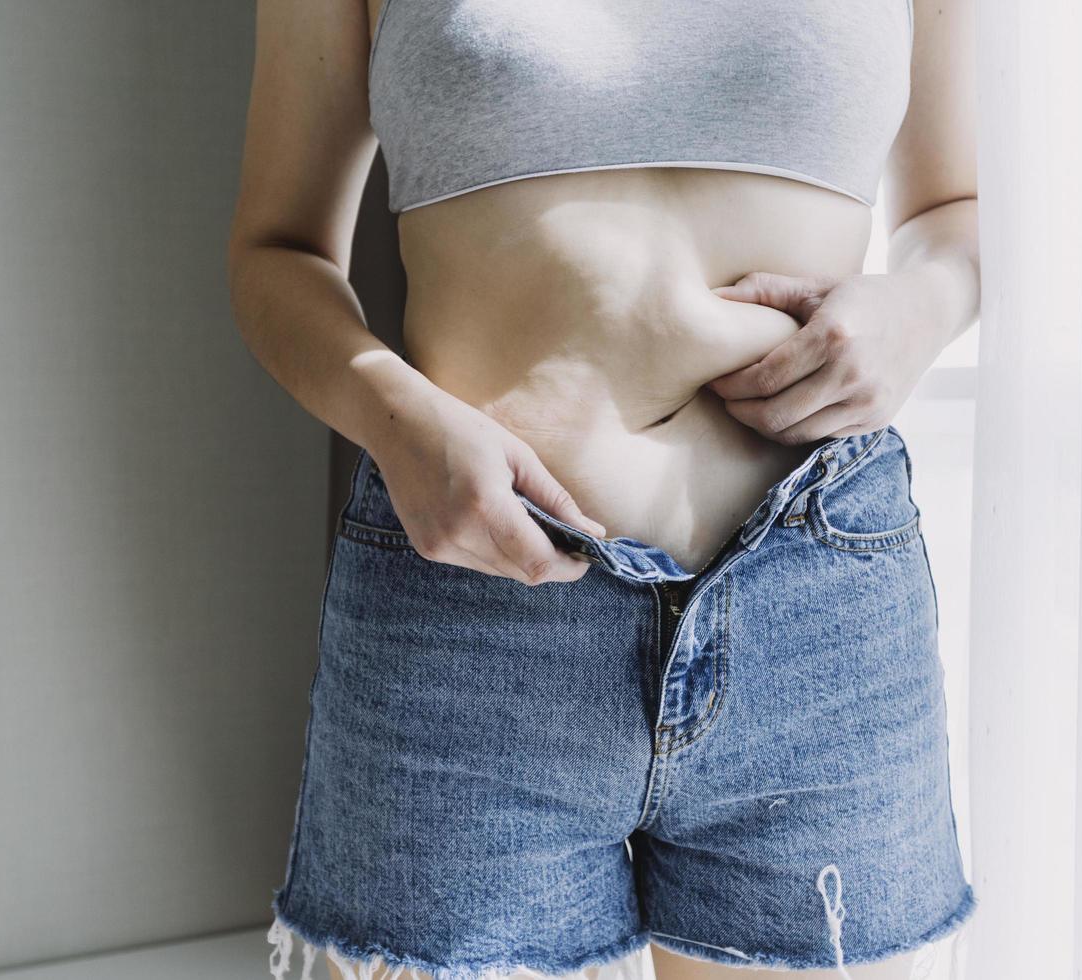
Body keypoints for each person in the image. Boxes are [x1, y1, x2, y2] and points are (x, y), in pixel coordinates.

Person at [228, 0, 979, 977]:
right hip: (477, 605)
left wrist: (914, 310)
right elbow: (276, 250)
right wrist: (393, 416)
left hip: (814, 604)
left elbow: (954, 211)